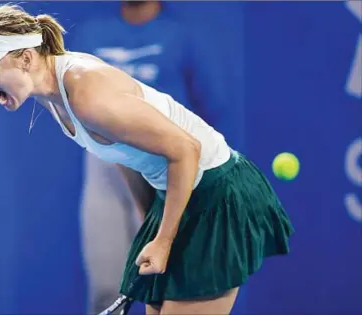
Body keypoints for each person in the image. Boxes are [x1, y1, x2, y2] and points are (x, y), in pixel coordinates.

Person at [0, 4, 294, 315]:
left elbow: (186, 150)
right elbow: (124, 152)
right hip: (178, 192)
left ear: (26, 58)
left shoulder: (86, 93)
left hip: (216, 191)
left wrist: (165, 239)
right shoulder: (53, 96)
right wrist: (152, 219)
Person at [68, 2, 246, 313]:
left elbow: (209, 113)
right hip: (105, 165)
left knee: (169, 284)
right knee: (106, 287)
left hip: (163, 163)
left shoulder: (183, 36)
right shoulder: (91, 34)